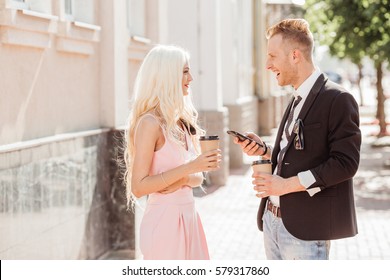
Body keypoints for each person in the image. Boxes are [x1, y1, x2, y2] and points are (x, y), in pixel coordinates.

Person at [234, 18, 361, 260]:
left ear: (294, 56)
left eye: (272, 56)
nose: (267, 65)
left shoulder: (338, 99)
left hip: (305, 231)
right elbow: (299, 154)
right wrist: (264, 150)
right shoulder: (296, 97)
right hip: (272, 222)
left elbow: (346, 163)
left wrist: (285, 185)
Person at [123, 45, 221, 260]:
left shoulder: (181, 122)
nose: (191, 78)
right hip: (164, 222)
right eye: (185, 71)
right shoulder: (149, 123)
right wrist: (188, 170)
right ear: (167, 75)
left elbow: (198, 179)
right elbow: (139, 187)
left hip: (190, 217)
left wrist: (185, 176)